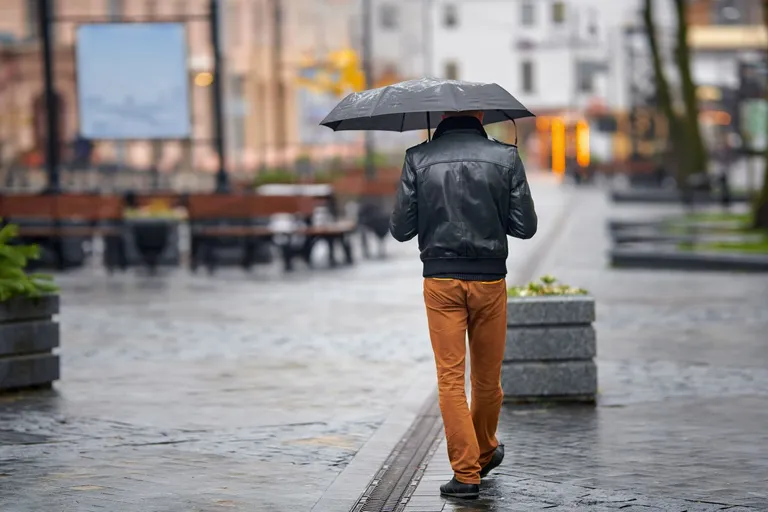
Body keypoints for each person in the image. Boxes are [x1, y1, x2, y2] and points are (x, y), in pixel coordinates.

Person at [389, 110, 538, 499]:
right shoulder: (505, 158)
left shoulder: (417, 158)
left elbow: (401, 230)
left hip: (440, 281)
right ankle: (484, 449)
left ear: (440, 117)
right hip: (490, 279)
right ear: (481, 115)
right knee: (487, 380)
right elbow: (526, 227)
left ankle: (468, 472)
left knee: (450, 381)